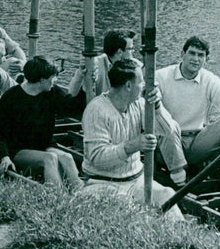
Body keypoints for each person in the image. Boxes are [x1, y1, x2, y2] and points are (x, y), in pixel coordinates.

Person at [79, 58, 184, 220]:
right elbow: (96, 158)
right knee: (133, 213)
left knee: (167, 194)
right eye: (141, 82)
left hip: (137, 181)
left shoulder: (139, 104)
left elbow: (168, 131)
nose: (145, 87)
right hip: (102, 183)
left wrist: (157, 106)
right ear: (128, 86)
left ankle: (182, 240)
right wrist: (131, 146)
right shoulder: (96, 110)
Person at [154, 36, 220, 187]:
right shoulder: (161, 76)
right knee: (166, 122)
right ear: (182, 54)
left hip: (196, 143)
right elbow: (146, 106)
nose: (195, 59)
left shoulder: (208, 79)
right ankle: (180, 182)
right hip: (167, 144)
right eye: (192, 53)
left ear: (206, 59)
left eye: (201, 55)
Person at [0, 56, 84, 191]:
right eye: (52, 77)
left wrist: (81, 78)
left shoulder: (51, 92)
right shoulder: (11, 98)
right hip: (17, 150)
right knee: (49, 158)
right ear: (42, 80)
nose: (55, 80)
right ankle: (56, 197)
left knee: (67, 157)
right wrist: (4, 157)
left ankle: (79, 193)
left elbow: (72, 108)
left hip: (43, 146)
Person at [68, 29, 136, 98]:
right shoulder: (95, 65)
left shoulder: (134, 65)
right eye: (130, 49)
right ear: (120, 51)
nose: (133, 51)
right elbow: (71, 93)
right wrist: (80, 73)